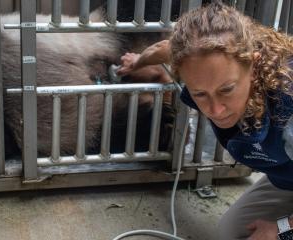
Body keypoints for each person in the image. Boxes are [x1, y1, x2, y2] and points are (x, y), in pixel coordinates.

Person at [118, 2, 293, 240]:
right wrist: (136, 63)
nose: (215, 110)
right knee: (232, 233)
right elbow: (162, 49)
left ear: (253, 66)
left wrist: (282, 228)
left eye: (226, 89)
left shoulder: (287, 110)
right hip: (286, 180)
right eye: (200, 93)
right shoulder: (196, 55)